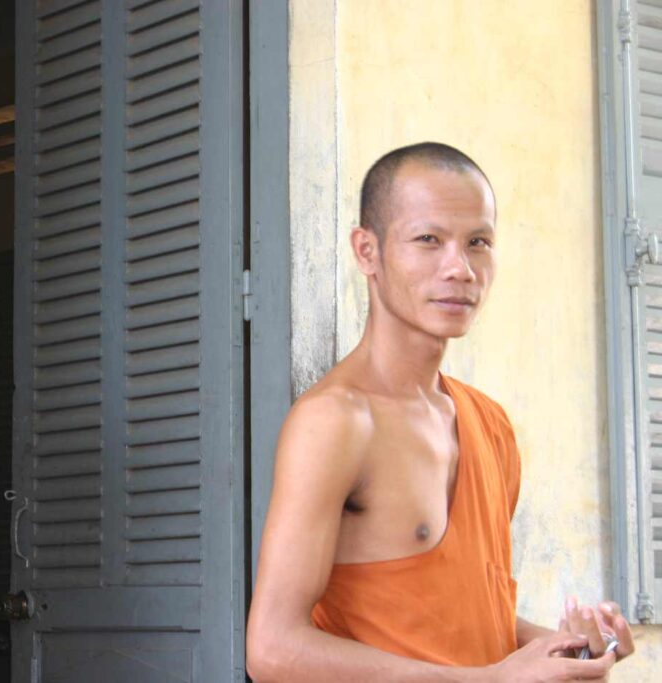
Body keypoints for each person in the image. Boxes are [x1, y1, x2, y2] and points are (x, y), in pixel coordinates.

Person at [245, 143, 636, 682]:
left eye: (478, 242)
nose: (460, 269)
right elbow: (272, 651)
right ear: (367, 251)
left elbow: (466, 613)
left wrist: (569, 647)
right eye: (428, 240)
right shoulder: (335, 422)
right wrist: (492, 681)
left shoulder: (489, 423)